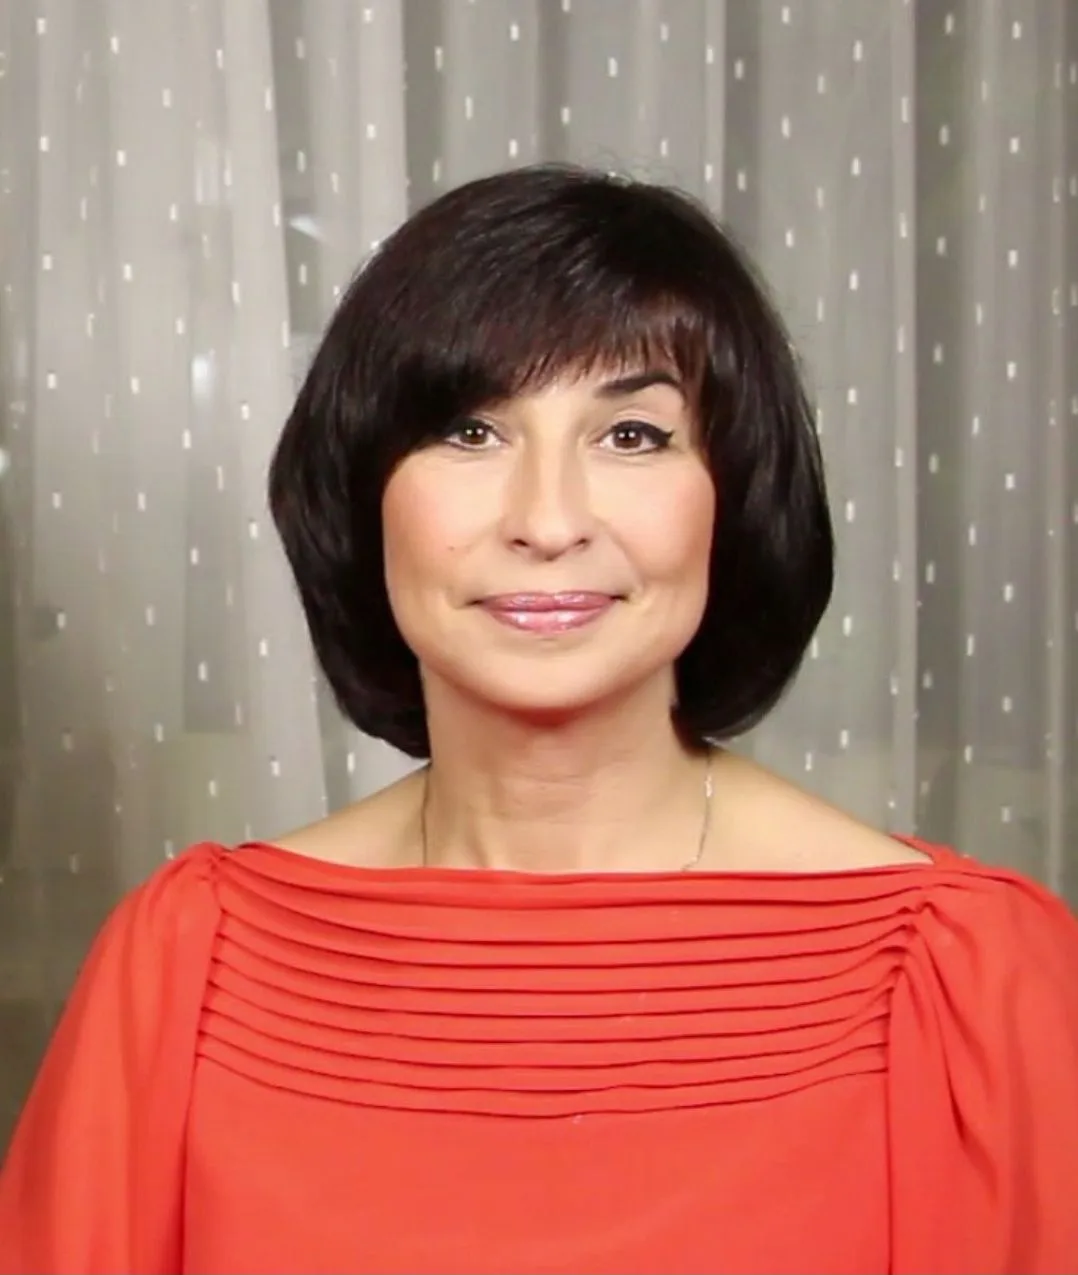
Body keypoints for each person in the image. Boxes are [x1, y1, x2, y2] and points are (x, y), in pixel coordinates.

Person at [1, 164, 1076, 1275]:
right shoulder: (192, 963)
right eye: (471, 432)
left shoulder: (959, 980)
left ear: (735, 497)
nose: (548, 521)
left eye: (633, 436)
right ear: (363, 496)